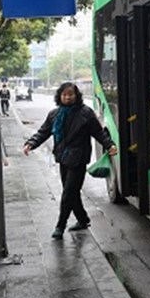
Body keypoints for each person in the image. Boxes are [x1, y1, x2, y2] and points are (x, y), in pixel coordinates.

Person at [23, 82, 117, 239]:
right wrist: (31, 143)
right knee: (72, 192)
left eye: (71, 94)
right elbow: (43, 132)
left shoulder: (85, 113)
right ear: (60, 96)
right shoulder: (55, 114)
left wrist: (109, 145)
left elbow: (98, 132)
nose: (67, 97)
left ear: (76, 96)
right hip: (62, 158)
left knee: (68, 193)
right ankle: (83, 219)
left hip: (78, 159)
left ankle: (60, 225)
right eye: (64, 94)